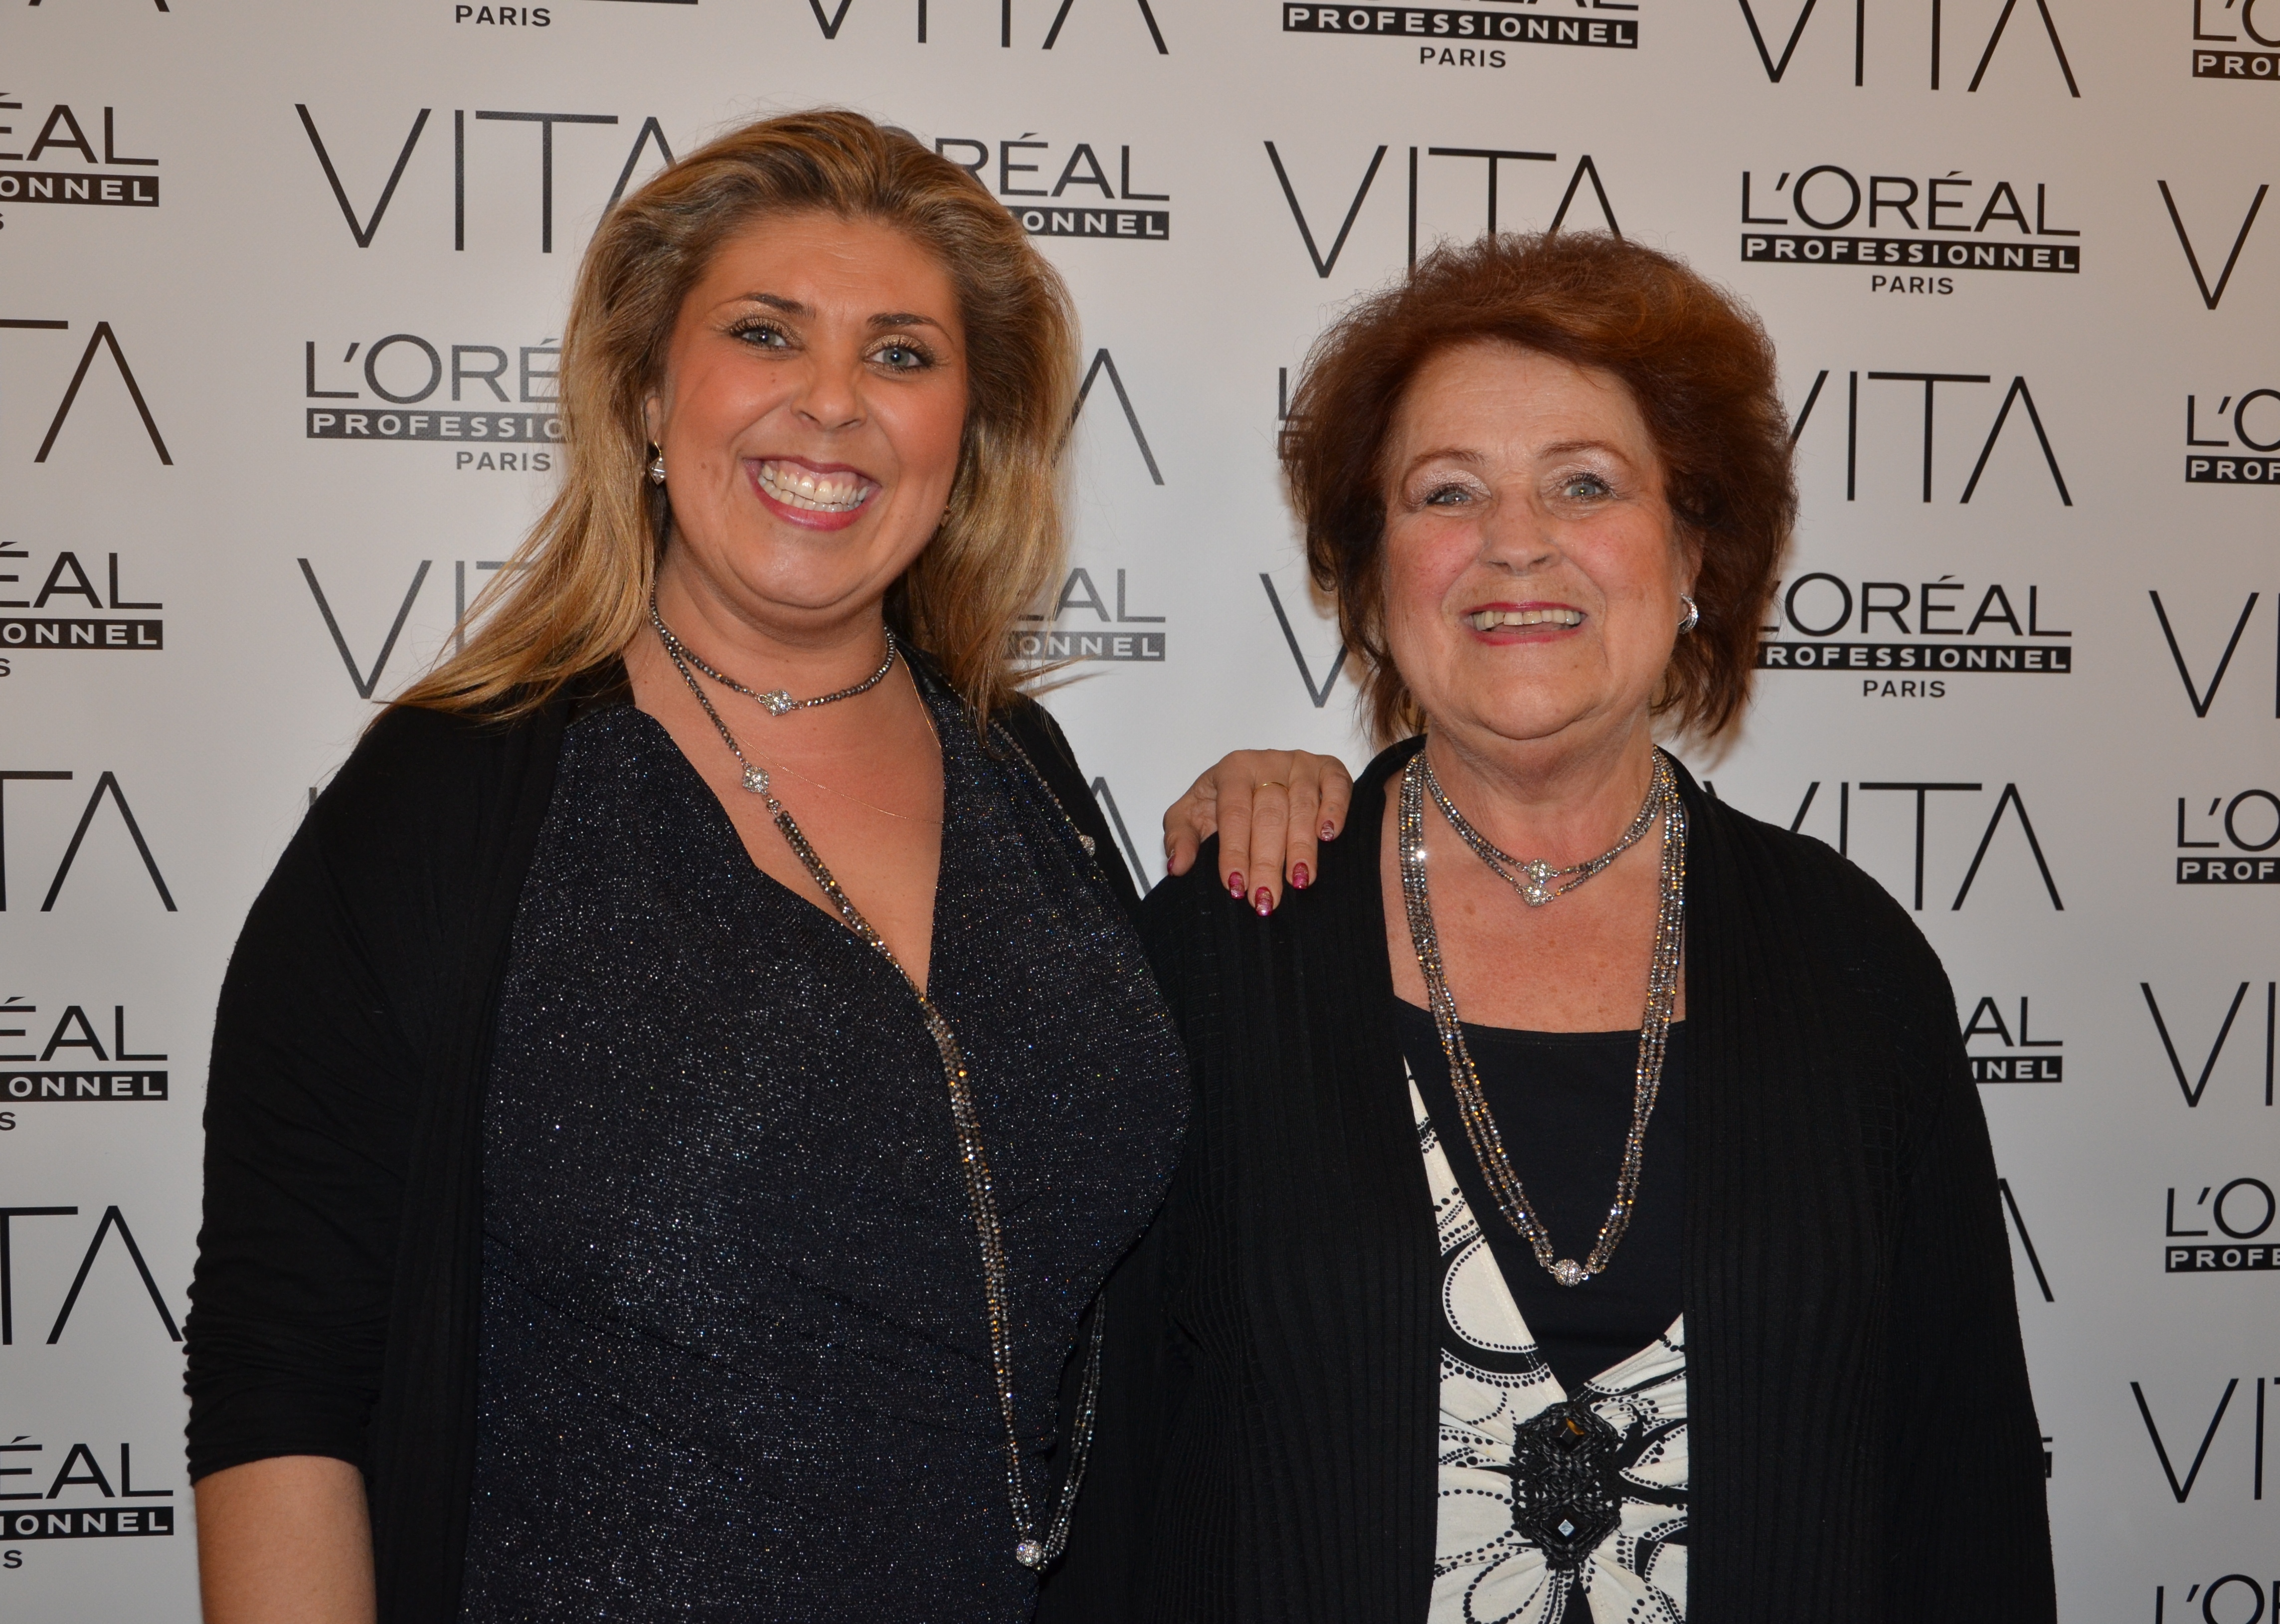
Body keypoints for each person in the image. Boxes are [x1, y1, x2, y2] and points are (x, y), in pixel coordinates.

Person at [184, 109, 1346, 1624]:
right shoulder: (450, 798)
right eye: (764, 333)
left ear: (967, 439)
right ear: (646, 394)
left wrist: (1295, 800)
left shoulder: (1024, 776)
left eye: (902, 355)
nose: (834, 402)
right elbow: (282, 1369)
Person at [1044, 231, 2057, 1623]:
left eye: (1585, 483)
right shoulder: (1228, 951)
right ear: (1374, 579)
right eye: (1447, 491)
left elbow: (1963, 1487)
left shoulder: (1854, 965)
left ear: (1693, 549)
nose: (1516, 540)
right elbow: (1106, 1496)